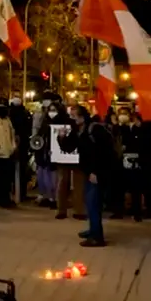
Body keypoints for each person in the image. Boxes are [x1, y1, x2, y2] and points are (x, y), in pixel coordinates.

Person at [58, 105, 116, 247]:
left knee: (93, 202)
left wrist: (96, 172)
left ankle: (97, 237)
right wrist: (61, 137)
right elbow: (69, 148)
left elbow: (104, 152)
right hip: (88, 171)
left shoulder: (94, 129)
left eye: (74, 115)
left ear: (82, 116)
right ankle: (93, 229)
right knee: (90, 202)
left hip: (97, 172)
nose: (71, 118)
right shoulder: (77, 130)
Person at [33, 100, 67, 209]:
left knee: (55, 179)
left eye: (54, 110)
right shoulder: (45, 122)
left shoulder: (62, 122)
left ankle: (56, 199)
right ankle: (48, 197)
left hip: (57, 155)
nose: (51, 112)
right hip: (45, 154)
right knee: (45, 177)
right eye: (50, 110)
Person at [7, 95, 33, 202]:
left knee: (12, 170)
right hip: (22, 145)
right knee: (21, 170)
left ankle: (14, 193)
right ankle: (21, 193)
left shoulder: (9, 114)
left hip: (12, 146)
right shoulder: (24, 114)